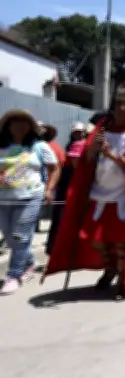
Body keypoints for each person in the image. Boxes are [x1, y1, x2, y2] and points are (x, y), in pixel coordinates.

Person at [43, 82, 125, 300]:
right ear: (113, 105)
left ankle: (123, 280)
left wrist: (111, 154)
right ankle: (110, 268)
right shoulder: (101, 127)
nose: (123, 108)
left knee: (122, 242)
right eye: (119, 103)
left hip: (123, 197)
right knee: (95, 238)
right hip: (98, 194)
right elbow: (86, 161)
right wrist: (92, 149)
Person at [0, 110, 59, 294]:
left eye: (23, 122)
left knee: (20, 236)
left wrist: (49, 189)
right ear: (7, 126)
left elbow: (54, 168)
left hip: (30, 197)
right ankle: (30, 262)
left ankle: (13, 275)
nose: (19, 126)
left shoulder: (39, 146)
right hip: (3, 199)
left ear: (30, 127)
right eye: (14, 122)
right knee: (11, 238)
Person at [46, 122, 89, 255]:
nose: (78, 134)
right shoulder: (74, 145)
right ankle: (58, 249)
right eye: (76, 132)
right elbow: (77, 167)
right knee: (62, 218)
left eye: (81, 132)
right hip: (69, 186)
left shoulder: (81, 144)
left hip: (73, 186)